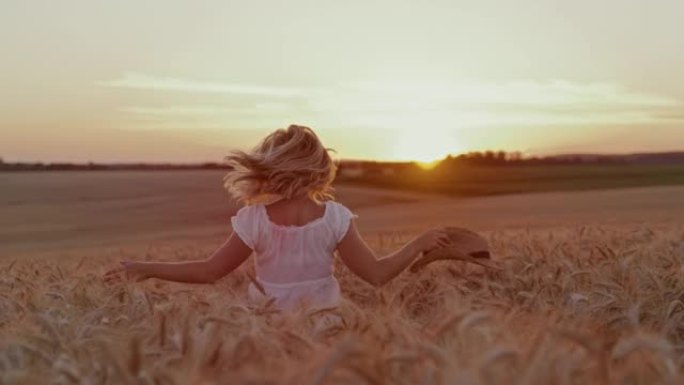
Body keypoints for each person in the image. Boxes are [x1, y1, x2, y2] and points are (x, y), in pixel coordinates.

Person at [104, 125, 450, 311]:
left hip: (267, 329)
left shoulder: (254, 219)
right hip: (325, 332)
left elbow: (209, 271)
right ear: (320, 169)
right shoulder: (335, 218)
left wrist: (147, 268)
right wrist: (419, 243)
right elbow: (377, 275)